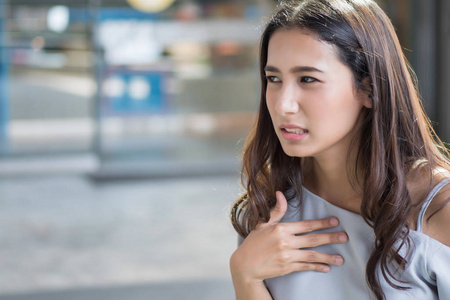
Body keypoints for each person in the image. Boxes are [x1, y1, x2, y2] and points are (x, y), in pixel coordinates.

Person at [229, 0, 450, 299]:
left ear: (370, 89)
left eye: (308, 79)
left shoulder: (437, 209)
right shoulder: (273, 199)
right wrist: (245, 276)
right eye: (274, 79)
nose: (282, 104)